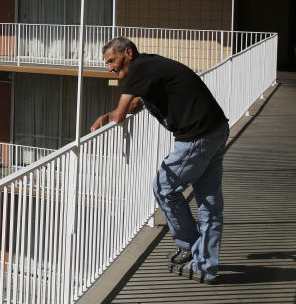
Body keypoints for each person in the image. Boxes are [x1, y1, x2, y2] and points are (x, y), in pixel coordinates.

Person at [91, 37, 229, 284]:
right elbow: (134, 104)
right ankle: (205, 265)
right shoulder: (149, 67)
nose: (110, 68)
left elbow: (121, 114)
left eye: (112, 60)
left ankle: (190, 246)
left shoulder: (139, 68)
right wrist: (106, 114)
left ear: (128, 53)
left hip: (197, 136)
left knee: (164, 189)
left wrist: (111, 115)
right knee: (209, 203)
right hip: (216, 130)